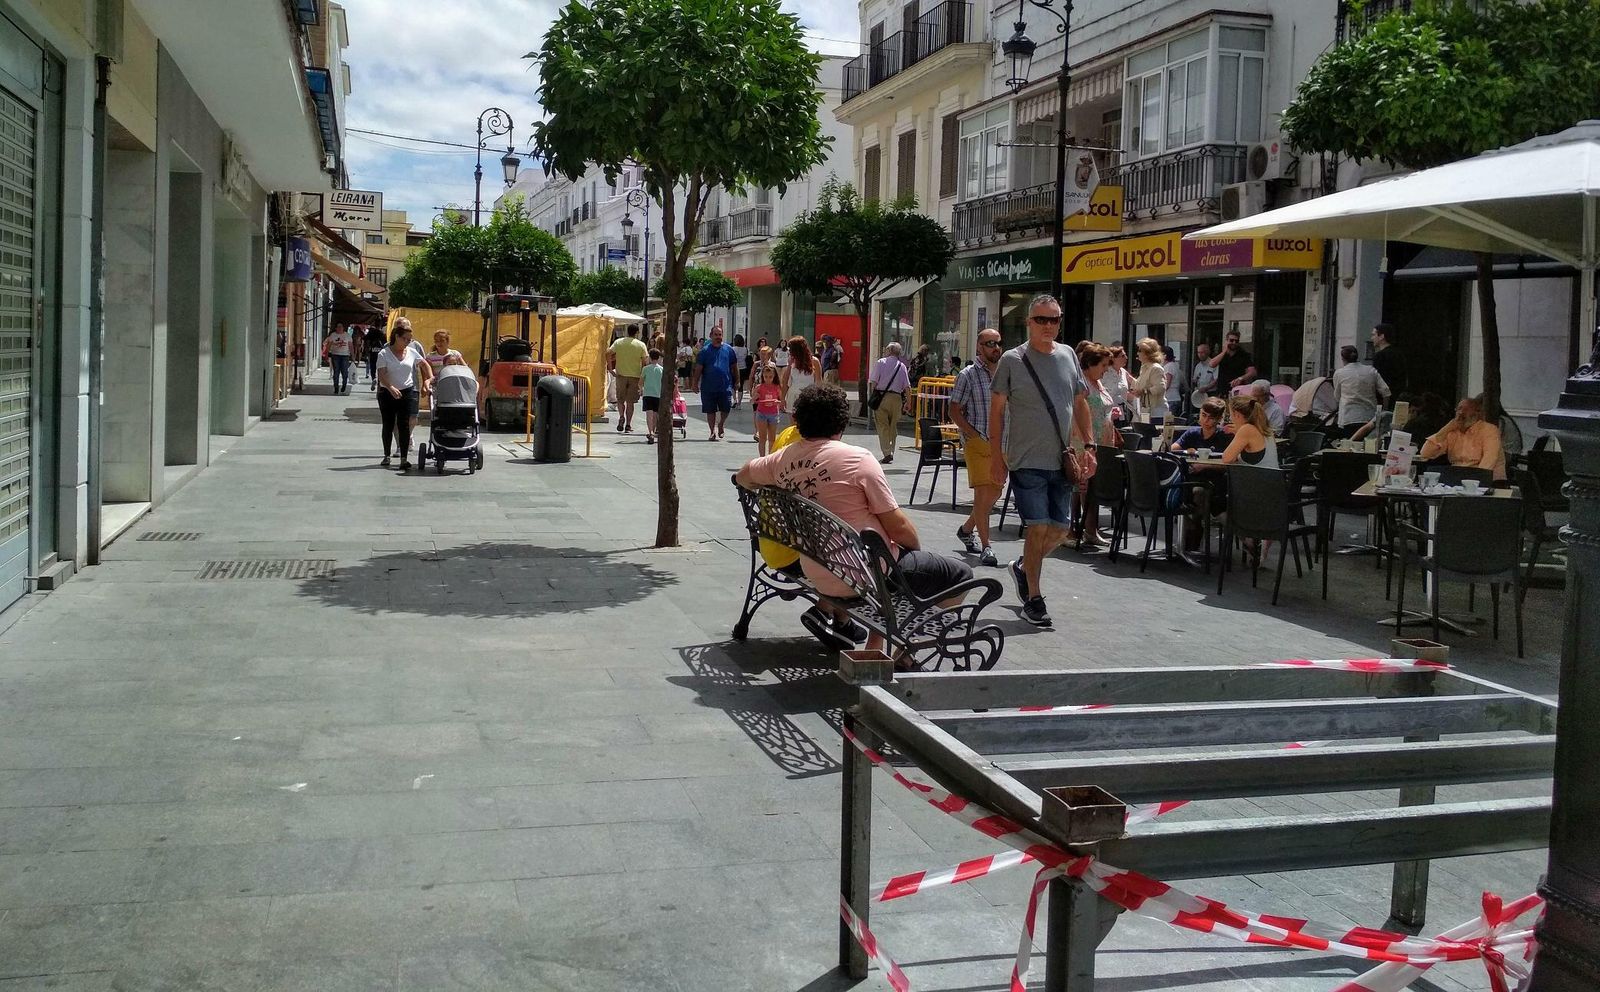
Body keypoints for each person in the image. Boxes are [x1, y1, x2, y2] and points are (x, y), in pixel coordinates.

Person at [736, 384, 975, 658]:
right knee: (959, 575)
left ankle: (877, 651)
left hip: (818, 571)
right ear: (841, 423)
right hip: (864, 575)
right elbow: (899, 527)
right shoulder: (857, 460)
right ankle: (900, 655)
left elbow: (743, 476)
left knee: (887, 561)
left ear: (799, 422)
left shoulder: (781, 460)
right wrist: (912, 550)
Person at [989, 294, 1096, 628]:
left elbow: (1080, 402)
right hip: (1026, 459)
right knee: (1037, 528)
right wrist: (996, 456)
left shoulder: (1067, 356)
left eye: (1054, 319)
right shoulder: (1012, 359)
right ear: (1029, 322)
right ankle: (1034, 598)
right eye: (1041, 319)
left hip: (1061, 459)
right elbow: (997, 412)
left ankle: (1023, 568)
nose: (1049, 325)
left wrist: (1090, 445)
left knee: (1061, 530)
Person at [949, 328, 1007, 566]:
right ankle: (987, 546)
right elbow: (954, 409)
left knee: (996, 492)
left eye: (998, 343)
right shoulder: (968, 375)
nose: (995, 347)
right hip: (978, 441)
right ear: (979, 348)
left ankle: (966, 529)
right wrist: (972, 434)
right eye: (989, 343)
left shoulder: (1006, 373)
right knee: (983, 493)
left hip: (1002, 442)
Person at [1074, 341, 1120, 548]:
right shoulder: (1081, 383)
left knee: (1092, 488)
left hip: (1102, 442)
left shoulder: (1097, 382)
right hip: (1084, 442)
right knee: (1081, 488)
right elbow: (1076, 413)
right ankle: (1076, 530)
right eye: (1102, 365)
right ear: (1090, 364)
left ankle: (1090, 530)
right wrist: (1085, 443)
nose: (1106, 369)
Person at [1419, 395, 1506, 480]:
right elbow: (1425, 454)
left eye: (1466, 409)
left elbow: (1489, 461)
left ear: (1477, 413)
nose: (1461, 413)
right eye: (1459, 409)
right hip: (1457, 478)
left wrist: (1473, 482)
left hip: (1488, 480)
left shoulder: (1489, 430)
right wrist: (1445, 430)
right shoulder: (1452, 431)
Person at [376, 323, 424, 469]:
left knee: (404, 425)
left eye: (410, 340)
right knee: (389, 424)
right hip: (387, 393)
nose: (408, 342)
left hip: (406, 391)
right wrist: (390, 387)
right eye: (405, 339)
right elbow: (381, 374)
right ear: (396, 337)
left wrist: (427, 380)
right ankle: (386, 455)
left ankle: (404, 458)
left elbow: (424, 363)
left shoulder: (411, 352)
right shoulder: (384, 353)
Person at [1331, 344, 1390, 438]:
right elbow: (1386, 391)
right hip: (1369, 416)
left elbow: (1337, 396)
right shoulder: (1371, 370)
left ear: (1343, 359)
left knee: (1349, 445)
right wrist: (1384, 410)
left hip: (1348, 416)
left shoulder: (1339, 373)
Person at [692, 324, 739, 440]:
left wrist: (737, 381)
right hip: (708, 387)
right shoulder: (704, 351)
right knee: (710, 410)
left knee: (726, 408)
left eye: (720, 334)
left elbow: (734, 366)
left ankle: (721, 424)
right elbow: (698, 369)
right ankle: (712, 431)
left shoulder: (729, 350)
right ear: (710, 336)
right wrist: (694, 383)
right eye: (716, 335)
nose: (718, 337)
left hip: (725, 386)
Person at [869, 342, 910, 463]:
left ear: (889, 351)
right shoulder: (902, 366)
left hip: (882, 397)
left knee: (882, 426)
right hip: (897, 398)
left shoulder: (881, 362)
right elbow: (907, 386)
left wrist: (873, 395)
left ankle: (887, 452)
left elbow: (874, 382)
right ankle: (891, 450)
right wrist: (909, 402)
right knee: (893, 426)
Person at [608, 324, 650, 434]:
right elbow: (645, 361)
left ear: (627, 331)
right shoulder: (641, 345)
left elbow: (608, 353)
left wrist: (610, 368)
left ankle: (621, 416)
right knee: (630, 402)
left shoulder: (619, 342)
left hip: (621, 375)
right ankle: (628, 425)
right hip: (635, 376)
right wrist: (643, 375)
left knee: (620, 400)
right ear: (637, 333)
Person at [1220, 394, 1279, 468]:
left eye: (1230, 414)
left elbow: (1227, 459)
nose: (1230, 418)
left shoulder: (1246, 429)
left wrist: (1238, 433)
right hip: (1273, 477)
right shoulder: (1263, 428)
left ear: (1237, 415)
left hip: (1257, 478)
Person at [780, 336, 821, 421]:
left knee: (807, 425)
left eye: (791, 348)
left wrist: (818, 399)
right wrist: (783, 399)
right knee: (794, 426)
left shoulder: (814, 361)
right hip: (793, 396)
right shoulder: (791, 361)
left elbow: (818, 382)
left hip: (808, 397)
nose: (789, 350)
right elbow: (785, 381)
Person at [1207, 331, 1257, 397]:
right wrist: (1224, 351)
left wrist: (1240, 379)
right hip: (1222, 390)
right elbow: (1211, 364)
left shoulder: (1243, 355)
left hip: (1238, 391)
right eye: (1231, 340)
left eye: (1236, 341)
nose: (1234, 343)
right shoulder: (1222, 354)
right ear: (1227, 341)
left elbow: (1253, 372)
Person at [1133, 337, 1169, 424]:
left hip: (1156, 412)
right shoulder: (1144, 368)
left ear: (1147, 353)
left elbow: (1161, 387)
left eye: (1140, 351)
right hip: (1146, 411)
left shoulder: (1156, 368)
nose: (1138, 353)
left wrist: (1144, 391)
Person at [751, 362, 783, 455]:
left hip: (773, 414)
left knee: (772, 439)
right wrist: (755, 397)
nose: (768, 379)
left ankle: (770, 458)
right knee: (762, 438)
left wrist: (778, 402)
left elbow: (781, 400)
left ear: (774, 377)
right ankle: (762, 458)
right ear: (763, 377)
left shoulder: (777, 387)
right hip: (762, 413)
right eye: (765, 377)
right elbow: (752, 401)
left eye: (770, 377)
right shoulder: (759, 387)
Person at [1370, 323, 1407, 401]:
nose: (1372, 338)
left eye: (1374, 335)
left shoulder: (1380, 356)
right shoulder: (1399, 354)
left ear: (1382, 336)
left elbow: (1377, 379)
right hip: (1398, 395)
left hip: (1383, 397)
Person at [640, 348, 665, 445]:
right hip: (658, 394)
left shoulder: (645, 369)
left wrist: (640, 389)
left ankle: (650, 431)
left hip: (648, 394)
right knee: (655, 415)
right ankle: (653, 432)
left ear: (649, 358)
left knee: (649, 414)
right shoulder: (662, 370)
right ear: (659, 358)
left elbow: (640, 382)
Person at [1104, 345, 1133, 421]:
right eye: (1122, 356)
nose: (1126, 358)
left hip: (1122, 413)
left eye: (1125, 355)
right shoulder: (1105, 372)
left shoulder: (1123, 372)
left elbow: (1136, 384)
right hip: (1109, 413)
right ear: (1113, 358)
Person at [324, 323, 354, 395]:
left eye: (341, 327)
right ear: (336, 328)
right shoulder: (333, 335)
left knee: (344, 372)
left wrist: (353, 356)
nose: (339, 328)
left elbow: (351, 346)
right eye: (338, 327)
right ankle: (336, 387)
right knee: (336, 372)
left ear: (343, 328)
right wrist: (326, 355)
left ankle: (344, 385)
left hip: (345, 356)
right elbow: (328, 345)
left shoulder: (347, 336)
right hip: (335, 355)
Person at [1189, 342, 1216, 413]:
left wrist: (1207, 388)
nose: (1200, 355)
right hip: (1199, 394)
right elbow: (1195, 379)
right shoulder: (1198, 366)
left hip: (1210, 394)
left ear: (1207, 352)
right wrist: (1194, 381)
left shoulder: (1214, 364)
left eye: (1202, 352)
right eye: (1198, 352)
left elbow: (1216, 380)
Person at [1162, 345, 1185, 418]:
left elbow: (1167, 385)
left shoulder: (1169, 367)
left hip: (1171, 399)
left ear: (1165, 356)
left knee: (1168, 422)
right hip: (1174, 398)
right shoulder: (1174, 366)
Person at [363, 324, 386, 390]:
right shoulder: (381, 333)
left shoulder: (371, 332)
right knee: (380, 368)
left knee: (373, 367)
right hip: (381, 352)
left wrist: (366, 352)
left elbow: (365, 339)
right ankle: (379, 382)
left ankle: (374, 378)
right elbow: (385, 342)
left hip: (372, 351)